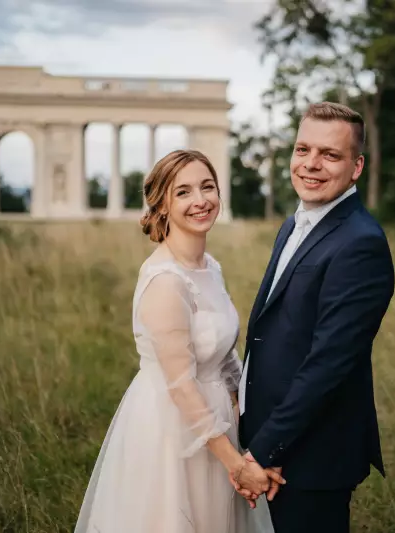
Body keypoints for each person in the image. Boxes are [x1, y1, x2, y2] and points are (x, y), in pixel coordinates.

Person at [74, 149, 281, 533]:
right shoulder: (166, 282)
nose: (200, 200)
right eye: (183, 192)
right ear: (162, 205)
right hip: (173, 431)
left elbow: (224, 356)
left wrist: (251, 425)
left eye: (207, 187)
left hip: (219, 426)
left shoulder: (209, 267)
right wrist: (236, 465)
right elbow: (181, 387)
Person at [236, 102, 395, 533]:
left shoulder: (360, 244)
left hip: (311, 458)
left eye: (330, 154)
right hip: (267, 434)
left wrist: (262, 452)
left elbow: (328, 365)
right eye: (303, 149)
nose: (311, 164)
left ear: (357, 166)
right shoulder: (294, 224)